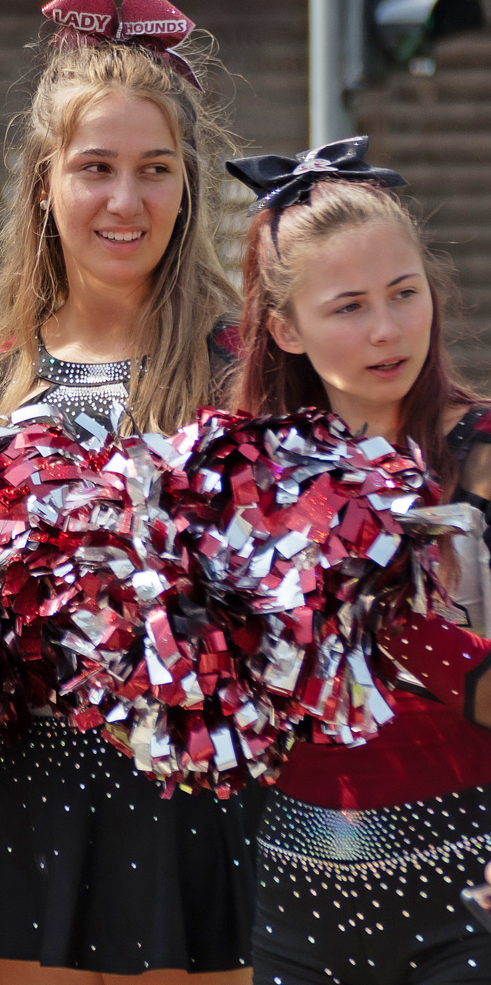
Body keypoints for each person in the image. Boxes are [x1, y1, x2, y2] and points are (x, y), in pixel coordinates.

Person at [0, 0, 252, 983]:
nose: (125, 199)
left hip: (196, 789)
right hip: (25, 789)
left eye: (156, 168)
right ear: (44, 182)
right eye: (96, 167)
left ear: (189, 184)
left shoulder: (245, 371)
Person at [226, 138, 491, 984]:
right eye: (348, 307)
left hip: (471, 890)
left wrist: (393, 617)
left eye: (405, 294)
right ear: (285, 327)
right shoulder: (240, 474)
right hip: (286, 904)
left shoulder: (482, 453)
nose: (387, 330)